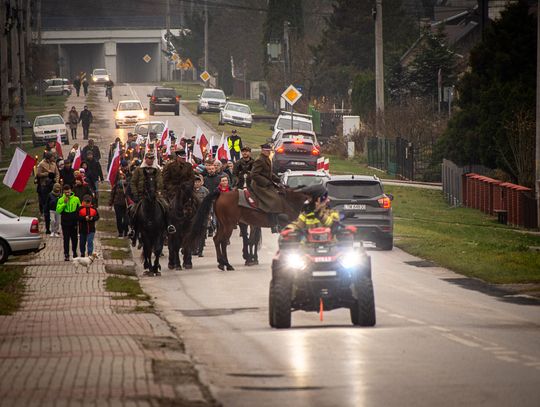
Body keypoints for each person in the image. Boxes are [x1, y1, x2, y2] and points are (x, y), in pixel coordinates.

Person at [130, 152, 175, 235]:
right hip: (141, 195)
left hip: (155, 195)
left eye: (152, 159)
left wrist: (158, 190)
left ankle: (169, 226)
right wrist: (135, 194)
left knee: (166, 206)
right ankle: (133, 229)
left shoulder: (156, 169)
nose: (151, 160)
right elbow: (133, 182)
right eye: (149, 158)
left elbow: (160, 181)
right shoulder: (138, 169)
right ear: (145, 159)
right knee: (133, 210)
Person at [250, 143, 286, 233]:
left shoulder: (266, 159)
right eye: (267, 151)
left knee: (279, 196)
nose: (269, 152)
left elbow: (268, 173)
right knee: (274, 200)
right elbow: (254, 174)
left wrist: (278, 179)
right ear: (262, 150)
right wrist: (266, 182)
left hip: (266, 184)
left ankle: (275, 221)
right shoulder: (259, 160)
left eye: (269, 151)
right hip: (259, 185)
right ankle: (273, 224)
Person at [36, 151, 60, 234]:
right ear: (48, 158)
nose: (54, 158)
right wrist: (47, 174)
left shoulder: (54, 164)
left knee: (55, 206)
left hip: (53, 186)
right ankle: (47, 228)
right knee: (46, 207)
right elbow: (38, 174)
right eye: (52, 157)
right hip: (45, 186)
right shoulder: (41, 164)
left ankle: (55, 228)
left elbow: (57, 173)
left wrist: (56, 182)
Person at [56, 184, 81, 261]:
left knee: (74, 238)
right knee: (66, 239)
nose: (67, 193)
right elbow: (58, 210)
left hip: (74, 221)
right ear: (63, 192)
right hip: (65, 221)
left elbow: (80, 208)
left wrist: (78, 217)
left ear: (71, 191)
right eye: (65, 192)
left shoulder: (76, 199)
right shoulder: (60, 199)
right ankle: (66, 254)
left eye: (68, 192)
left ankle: (74, 252)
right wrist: (64, 203)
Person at [109, 172, 130, 237]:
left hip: (126, 204)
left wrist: (126, 195)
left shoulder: (127, 185)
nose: (122, 176)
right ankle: (120, 232)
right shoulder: (116, 185)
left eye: (123, 175)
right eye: (120, 175)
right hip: (117, 204)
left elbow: (130, 194)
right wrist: (110, 203)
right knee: (119, 218)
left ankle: (125, 230)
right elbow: (112, 194)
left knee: (126, 219)